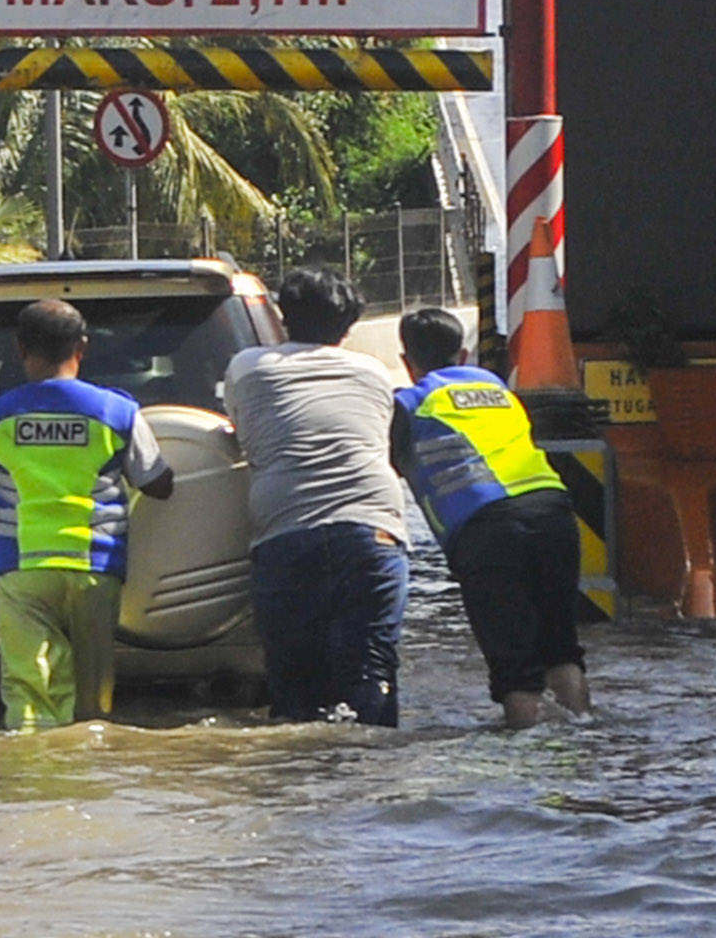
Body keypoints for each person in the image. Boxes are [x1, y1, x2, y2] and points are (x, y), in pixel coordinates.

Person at [0, 297, 174, 733]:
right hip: (95, 566)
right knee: (93, 690)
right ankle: (88, 758)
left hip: (24, 568)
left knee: (30, 684)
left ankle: (32, 758)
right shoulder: (116, 413)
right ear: (82, 347)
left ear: (20, 349)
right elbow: (159, 483)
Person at [220, 268, 415, 726]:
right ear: (349, 324)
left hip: (286, 533)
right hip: (374, 532)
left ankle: (306, 765)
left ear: (282, 316)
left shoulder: (248, 367)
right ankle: (379, 764)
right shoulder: (372, 372)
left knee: (294, 686)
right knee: (371, 672)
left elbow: (238, 431)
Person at [391, 307, 597, 726]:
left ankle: (527, 753)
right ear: (464, 354)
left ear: (406, 361)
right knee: (561, 647)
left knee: (514, 664)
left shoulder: (408, 404)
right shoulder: (498, 388)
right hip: (554, 511)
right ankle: (586, 733)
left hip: (486, 528)